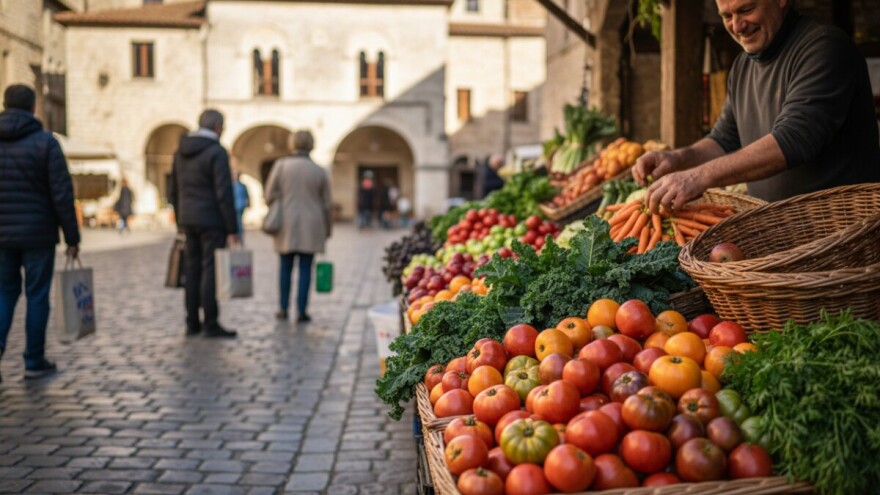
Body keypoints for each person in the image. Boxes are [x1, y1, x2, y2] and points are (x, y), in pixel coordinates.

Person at [634, 0, 880, 213]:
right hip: (776, 236)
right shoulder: (742, 67)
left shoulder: (825, 48)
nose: (738, 25)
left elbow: (794, 139)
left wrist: (700, 176)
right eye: (727, 16)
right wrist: (678, 159)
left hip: (842, 237)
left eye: (747, 9)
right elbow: (724, 139)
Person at [0, 84, 80, 381]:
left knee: (4, 293)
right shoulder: (46, 143)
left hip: (2, 235)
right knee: (36, 295)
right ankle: (33, 360)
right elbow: (62, 194)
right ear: (34, 107)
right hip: (37, 233)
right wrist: (72, 237)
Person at [168, 109, 238, 338]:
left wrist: (180, 219)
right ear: (218, 127)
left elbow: (173, 190)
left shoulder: (181, 151)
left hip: (188, 219)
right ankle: (210, 322)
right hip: (211, 220)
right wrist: (232, 228)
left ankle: (191, 322)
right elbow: (223, 192)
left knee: (191, 269)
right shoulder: (217, 152)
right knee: (209, 269)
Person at [264, 130, 332, 323]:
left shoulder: (281, 166)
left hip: (286, 223)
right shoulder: (319, 170)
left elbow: (269, 195)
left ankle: (283, 308)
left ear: (291, 144)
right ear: (311, 145)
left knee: (285, 267)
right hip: (312, 225)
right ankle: (302, 311)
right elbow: (327, 204)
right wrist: (328, 229)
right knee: (305, 269)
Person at [232, 171, 250, 244]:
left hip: (239, 206)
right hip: (236, 206)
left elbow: (247, 196)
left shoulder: (241, 186)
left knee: (238, 222)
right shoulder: (233, 185)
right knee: (238, 222)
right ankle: (239, 238)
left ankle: (240, 238)